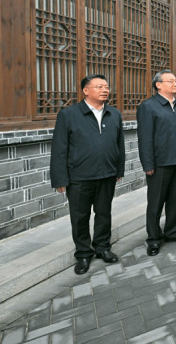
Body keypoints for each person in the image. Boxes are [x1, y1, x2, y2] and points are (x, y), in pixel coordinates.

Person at [50, 74, 125, 275]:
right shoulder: (69, 114)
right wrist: (60, 178)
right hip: (79, 177)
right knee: (80, 217)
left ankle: (103, 248)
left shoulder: (114, 114)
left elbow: (120, 144)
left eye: (106, 86)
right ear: (85, 90)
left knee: (103, 213)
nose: (104, 90)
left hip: (106, 175)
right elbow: (59, 148)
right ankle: (83, 253)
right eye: (99, 86)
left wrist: (119, 169)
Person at [137, 70, 176, 257]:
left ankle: (173, 231)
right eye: (170, 81)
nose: (175, 84)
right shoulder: (149, 106)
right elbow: (144, 138)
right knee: (156, 202)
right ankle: (153, 238)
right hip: (159, 163)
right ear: (158, 85)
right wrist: (148, 164)